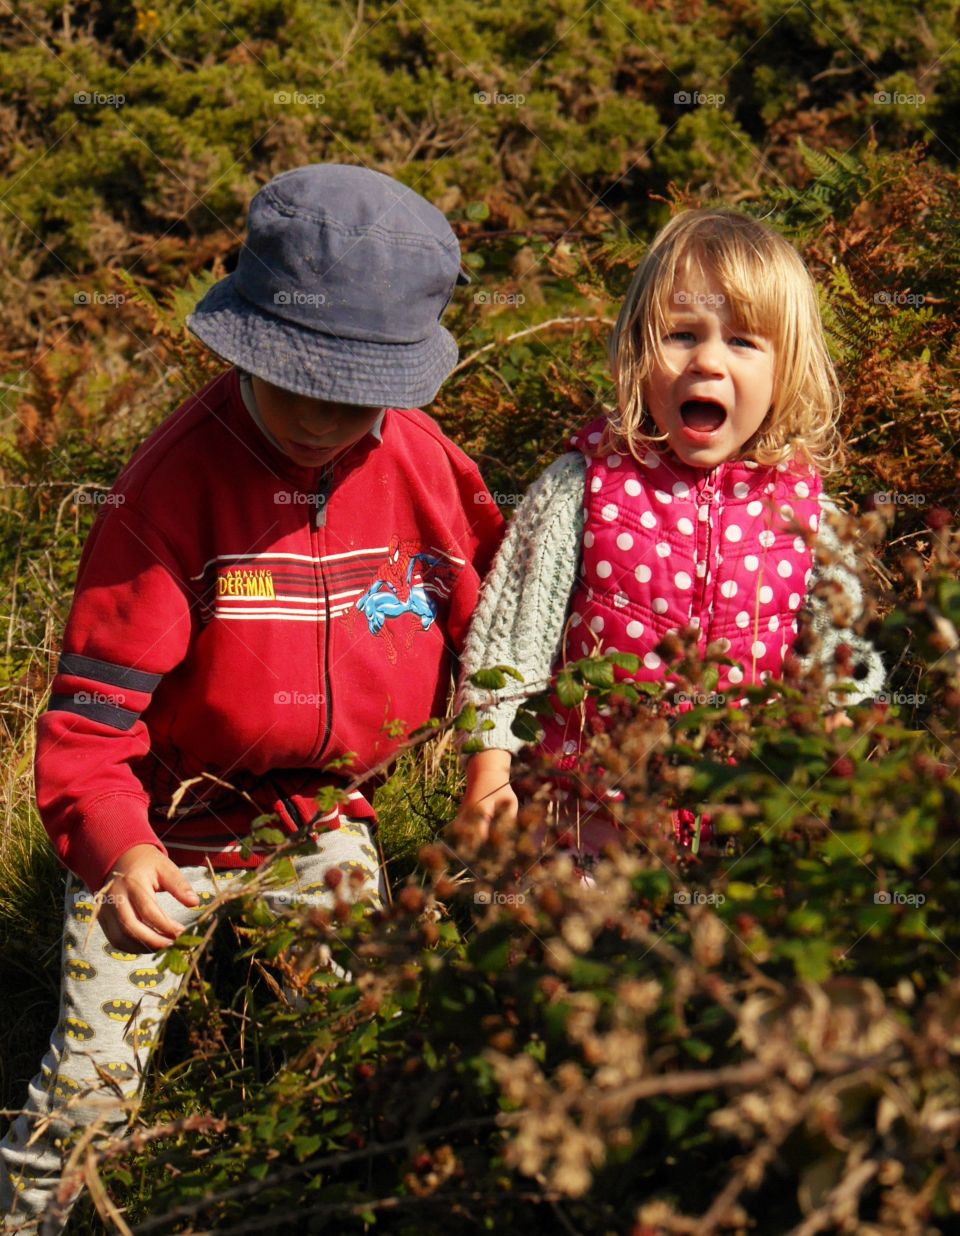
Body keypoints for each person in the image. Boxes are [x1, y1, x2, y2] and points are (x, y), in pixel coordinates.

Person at [0, 163, 503, 1232]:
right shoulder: (169, 491)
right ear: (242, 345)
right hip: (161, 831)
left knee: (362, 1047)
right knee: (92, 1086)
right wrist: (117, 850)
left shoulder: (427, 469)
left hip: (323, 814)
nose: (324, 417)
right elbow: (90, 724)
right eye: (298, 382)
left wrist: (496, 762)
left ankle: (333, 1205)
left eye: (354, 390)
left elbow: (499, 629)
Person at [456, 208, 885, 857]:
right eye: (681, 335)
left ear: (784, 371)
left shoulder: (803, 509)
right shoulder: (586, 483)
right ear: (637, 345)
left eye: (743, 342)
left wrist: (841, 734)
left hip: (745, 815)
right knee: (578, 951)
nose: (708, 360)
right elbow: (514, 634)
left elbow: (836, 651)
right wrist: (489, 766)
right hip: (584, 809)